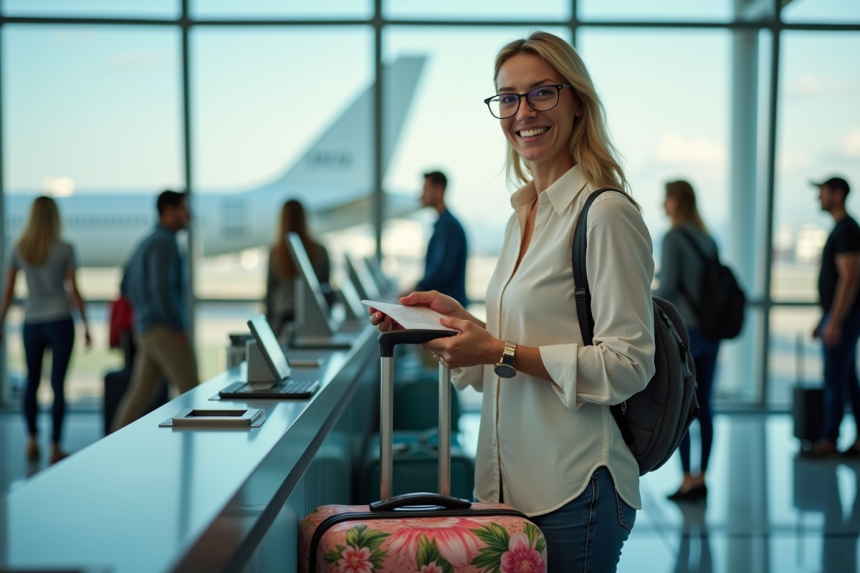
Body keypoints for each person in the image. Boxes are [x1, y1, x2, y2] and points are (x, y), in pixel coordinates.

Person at [370, 31, 655, 572]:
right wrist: (453, 327)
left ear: (577, 103)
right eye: (508, 97)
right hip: (508, 489)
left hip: (573, 489)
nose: (523, 110)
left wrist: (497, 349)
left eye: (542, 92)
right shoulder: (520, 215)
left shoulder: (606, 213)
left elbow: (629, 363)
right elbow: (513, 351)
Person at [0, 196, 91, 465]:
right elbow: (74, 291)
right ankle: (54, 446)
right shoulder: (65, 248)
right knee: (57, 385)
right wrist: (86, 324)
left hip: (32, 322)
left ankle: (31, 440)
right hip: (61, 320)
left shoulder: (19, 248)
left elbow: (8, 292)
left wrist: (1, 322)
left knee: (32, 381)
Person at [654, 180, 721, 501]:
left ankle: (686, 480)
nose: (662, 205)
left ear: (677, 201)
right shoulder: (708, 239)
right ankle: (703, 476)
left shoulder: (673, 237)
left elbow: (667, 289)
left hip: (687, 333)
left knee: (683, 407)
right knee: (706, 406)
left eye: (666, 199)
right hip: (711, 331)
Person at [111, 190, 198, 431]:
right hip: (163, 329)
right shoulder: (165, 242)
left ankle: (111, 446)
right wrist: (176, 324)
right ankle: (196, 452)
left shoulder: (146, 241)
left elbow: (125, 284)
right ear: (169, 211)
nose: (189, 215)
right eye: (184, 209)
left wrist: (145, 310)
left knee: (140, 395)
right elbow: (162, 287)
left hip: (146, 327)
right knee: (192, 392)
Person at [804, 176, 860, 458]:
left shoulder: (847, 230)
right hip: (838, 317)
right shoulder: (842, 229)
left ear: (838, 194)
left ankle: (829, 439)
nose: (819, 198)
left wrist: (835, 321)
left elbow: (850, 279)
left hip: (845, 319)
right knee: (847, 378)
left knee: (835, 378)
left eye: (823, 192)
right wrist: (825, 319)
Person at [265, 199, 331, 339]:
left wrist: (270, 325)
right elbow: (326, 287)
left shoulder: (276, 252)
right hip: (313, 316)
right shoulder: (319, 250)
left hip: (283, 317)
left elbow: (270, 290)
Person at [413, 170, 469, 307]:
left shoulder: (448, 227)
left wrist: (416, 288)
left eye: (425, 189)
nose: (421, 195)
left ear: (438, 190)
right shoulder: (444, 225)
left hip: (449, 308)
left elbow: (442, 271)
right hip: (446, 306)